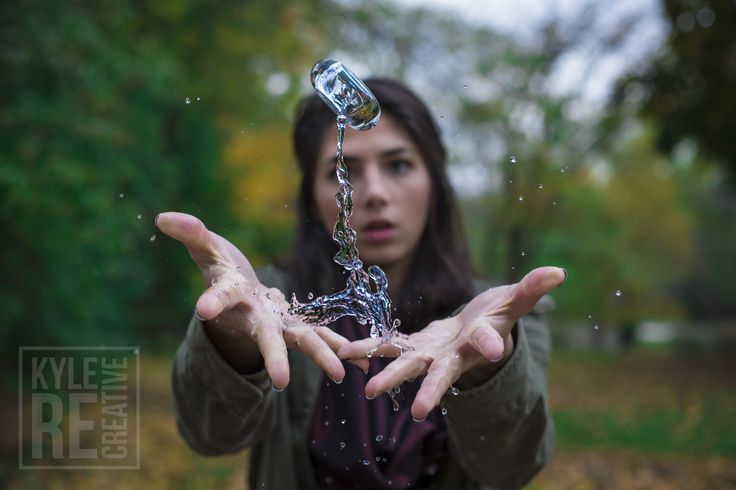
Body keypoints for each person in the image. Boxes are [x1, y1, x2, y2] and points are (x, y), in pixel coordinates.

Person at [157, 78, 566, 490]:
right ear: (312, 195)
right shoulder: (269, 304)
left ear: (436, 184)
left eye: (399, 165)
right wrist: (232, 343)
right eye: (343, 171)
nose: (373, 194)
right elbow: (209, 436)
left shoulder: (497, 315)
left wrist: (490, 370)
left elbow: (512, 468)